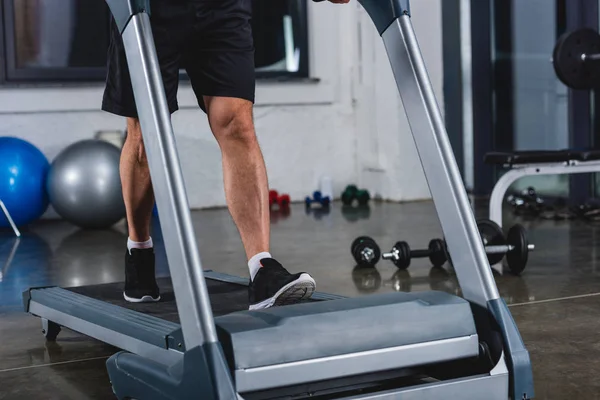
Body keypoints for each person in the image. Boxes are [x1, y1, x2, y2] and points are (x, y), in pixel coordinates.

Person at [102, 0, 350, 310]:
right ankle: (138, 249)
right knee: (145, 133)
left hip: (222, 7)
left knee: (237, 124)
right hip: (151, 8)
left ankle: (262, 268)